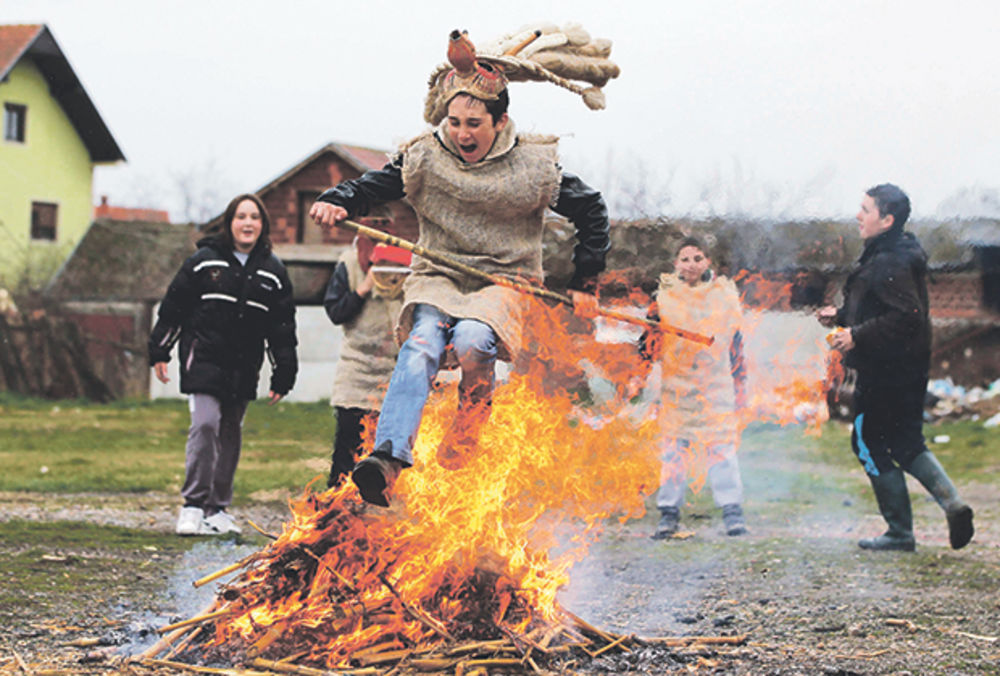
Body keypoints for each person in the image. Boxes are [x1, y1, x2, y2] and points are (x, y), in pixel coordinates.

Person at [309, 29, 613, 507]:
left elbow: (591, 210)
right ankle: (387, 459)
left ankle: (469, 424)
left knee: (473, 340)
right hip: (439, 275)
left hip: (504, 279)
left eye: (474, 122)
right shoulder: (425, 156)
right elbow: (371, 186)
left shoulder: (533, 165)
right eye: (453, 121)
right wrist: (336, 199)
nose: (462, 133)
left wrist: (585, 281)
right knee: (422, 343)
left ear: (501, 120)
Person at [818, 184, 974, 551]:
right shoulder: (891, 253)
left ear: (886, 220)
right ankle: (952, 504)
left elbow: (907, 316)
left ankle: (900, 532)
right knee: (905, 442)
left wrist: (856, 335)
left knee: (867, 442)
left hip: (886, 370)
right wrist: (841, 317)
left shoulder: (889, 260)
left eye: (865, 209)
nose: (858, 215)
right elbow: (884, 308)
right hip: (907, 368)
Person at [149, 193, 298, 535]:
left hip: (244, 366)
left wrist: (283, 373)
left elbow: (282, 329)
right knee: (205, 424)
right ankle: (192, 506)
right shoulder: (203, 262)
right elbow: (174, 308)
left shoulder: (273, 273)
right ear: (230, 223)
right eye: (241, 216)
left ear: (263, 226)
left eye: (255, 218)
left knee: (230, 433)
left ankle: (216, 509)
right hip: (203, 357)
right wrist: (159, 349)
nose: (248, 223)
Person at [640, 237, 749, 539]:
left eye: (698, 258)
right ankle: (668, 514)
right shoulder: (663, 296)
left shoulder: (724, 295)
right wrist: (640, 372)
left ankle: (732, 511)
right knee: (674, 452)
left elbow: (736, 344)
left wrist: (741, 380)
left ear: (708, 262)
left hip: (715, 386)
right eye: (685, 259)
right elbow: (648, 341)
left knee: (722, 451)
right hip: (677, 387)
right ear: (675, 263)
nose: (691, 265)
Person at [323, 236, 411, 488]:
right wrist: (366, 285)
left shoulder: (409, 263)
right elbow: (336, 312)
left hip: (395, 374)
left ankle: (378, 520)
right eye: (372, 223)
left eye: (384, 225)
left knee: (386, 455)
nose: (378, 231)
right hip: (356, 372)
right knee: (347, 453)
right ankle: (337, 514)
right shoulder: (348, 263)